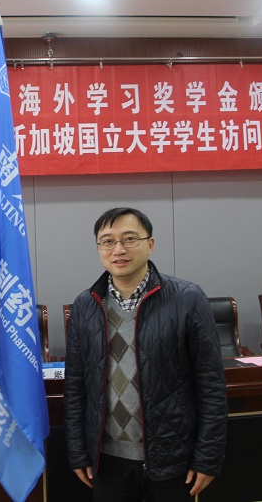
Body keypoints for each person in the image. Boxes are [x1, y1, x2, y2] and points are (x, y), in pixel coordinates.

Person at [63, 207, 227, 502]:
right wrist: (78, 451)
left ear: (150, 244)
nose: (118, 249)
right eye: (108, 241)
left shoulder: (187, 299)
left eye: (129, 239)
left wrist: (208, 456)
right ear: (99, 248)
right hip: (106, 460)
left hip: (172, 457)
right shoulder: (85, 305)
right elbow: (76, 386)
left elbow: (211, 384)